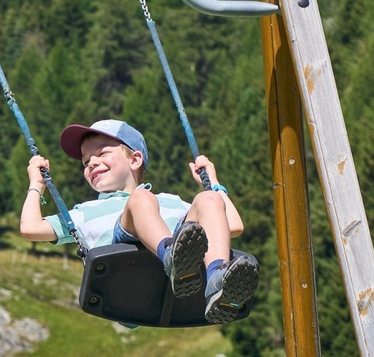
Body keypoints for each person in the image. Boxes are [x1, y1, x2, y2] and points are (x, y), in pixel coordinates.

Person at [19, 119, 258, 324]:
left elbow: (233, 226)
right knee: (141, 199)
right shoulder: (84, 212)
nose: (91, 163)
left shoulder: (170, 201)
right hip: (123, 281)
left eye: (101, 154)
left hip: (177, 284)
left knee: (207, 200)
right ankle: (172, 258)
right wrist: (36, 186)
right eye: (85, 162)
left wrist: (212, 185)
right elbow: (30, 229)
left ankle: (216, 282)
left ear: (135, 160)